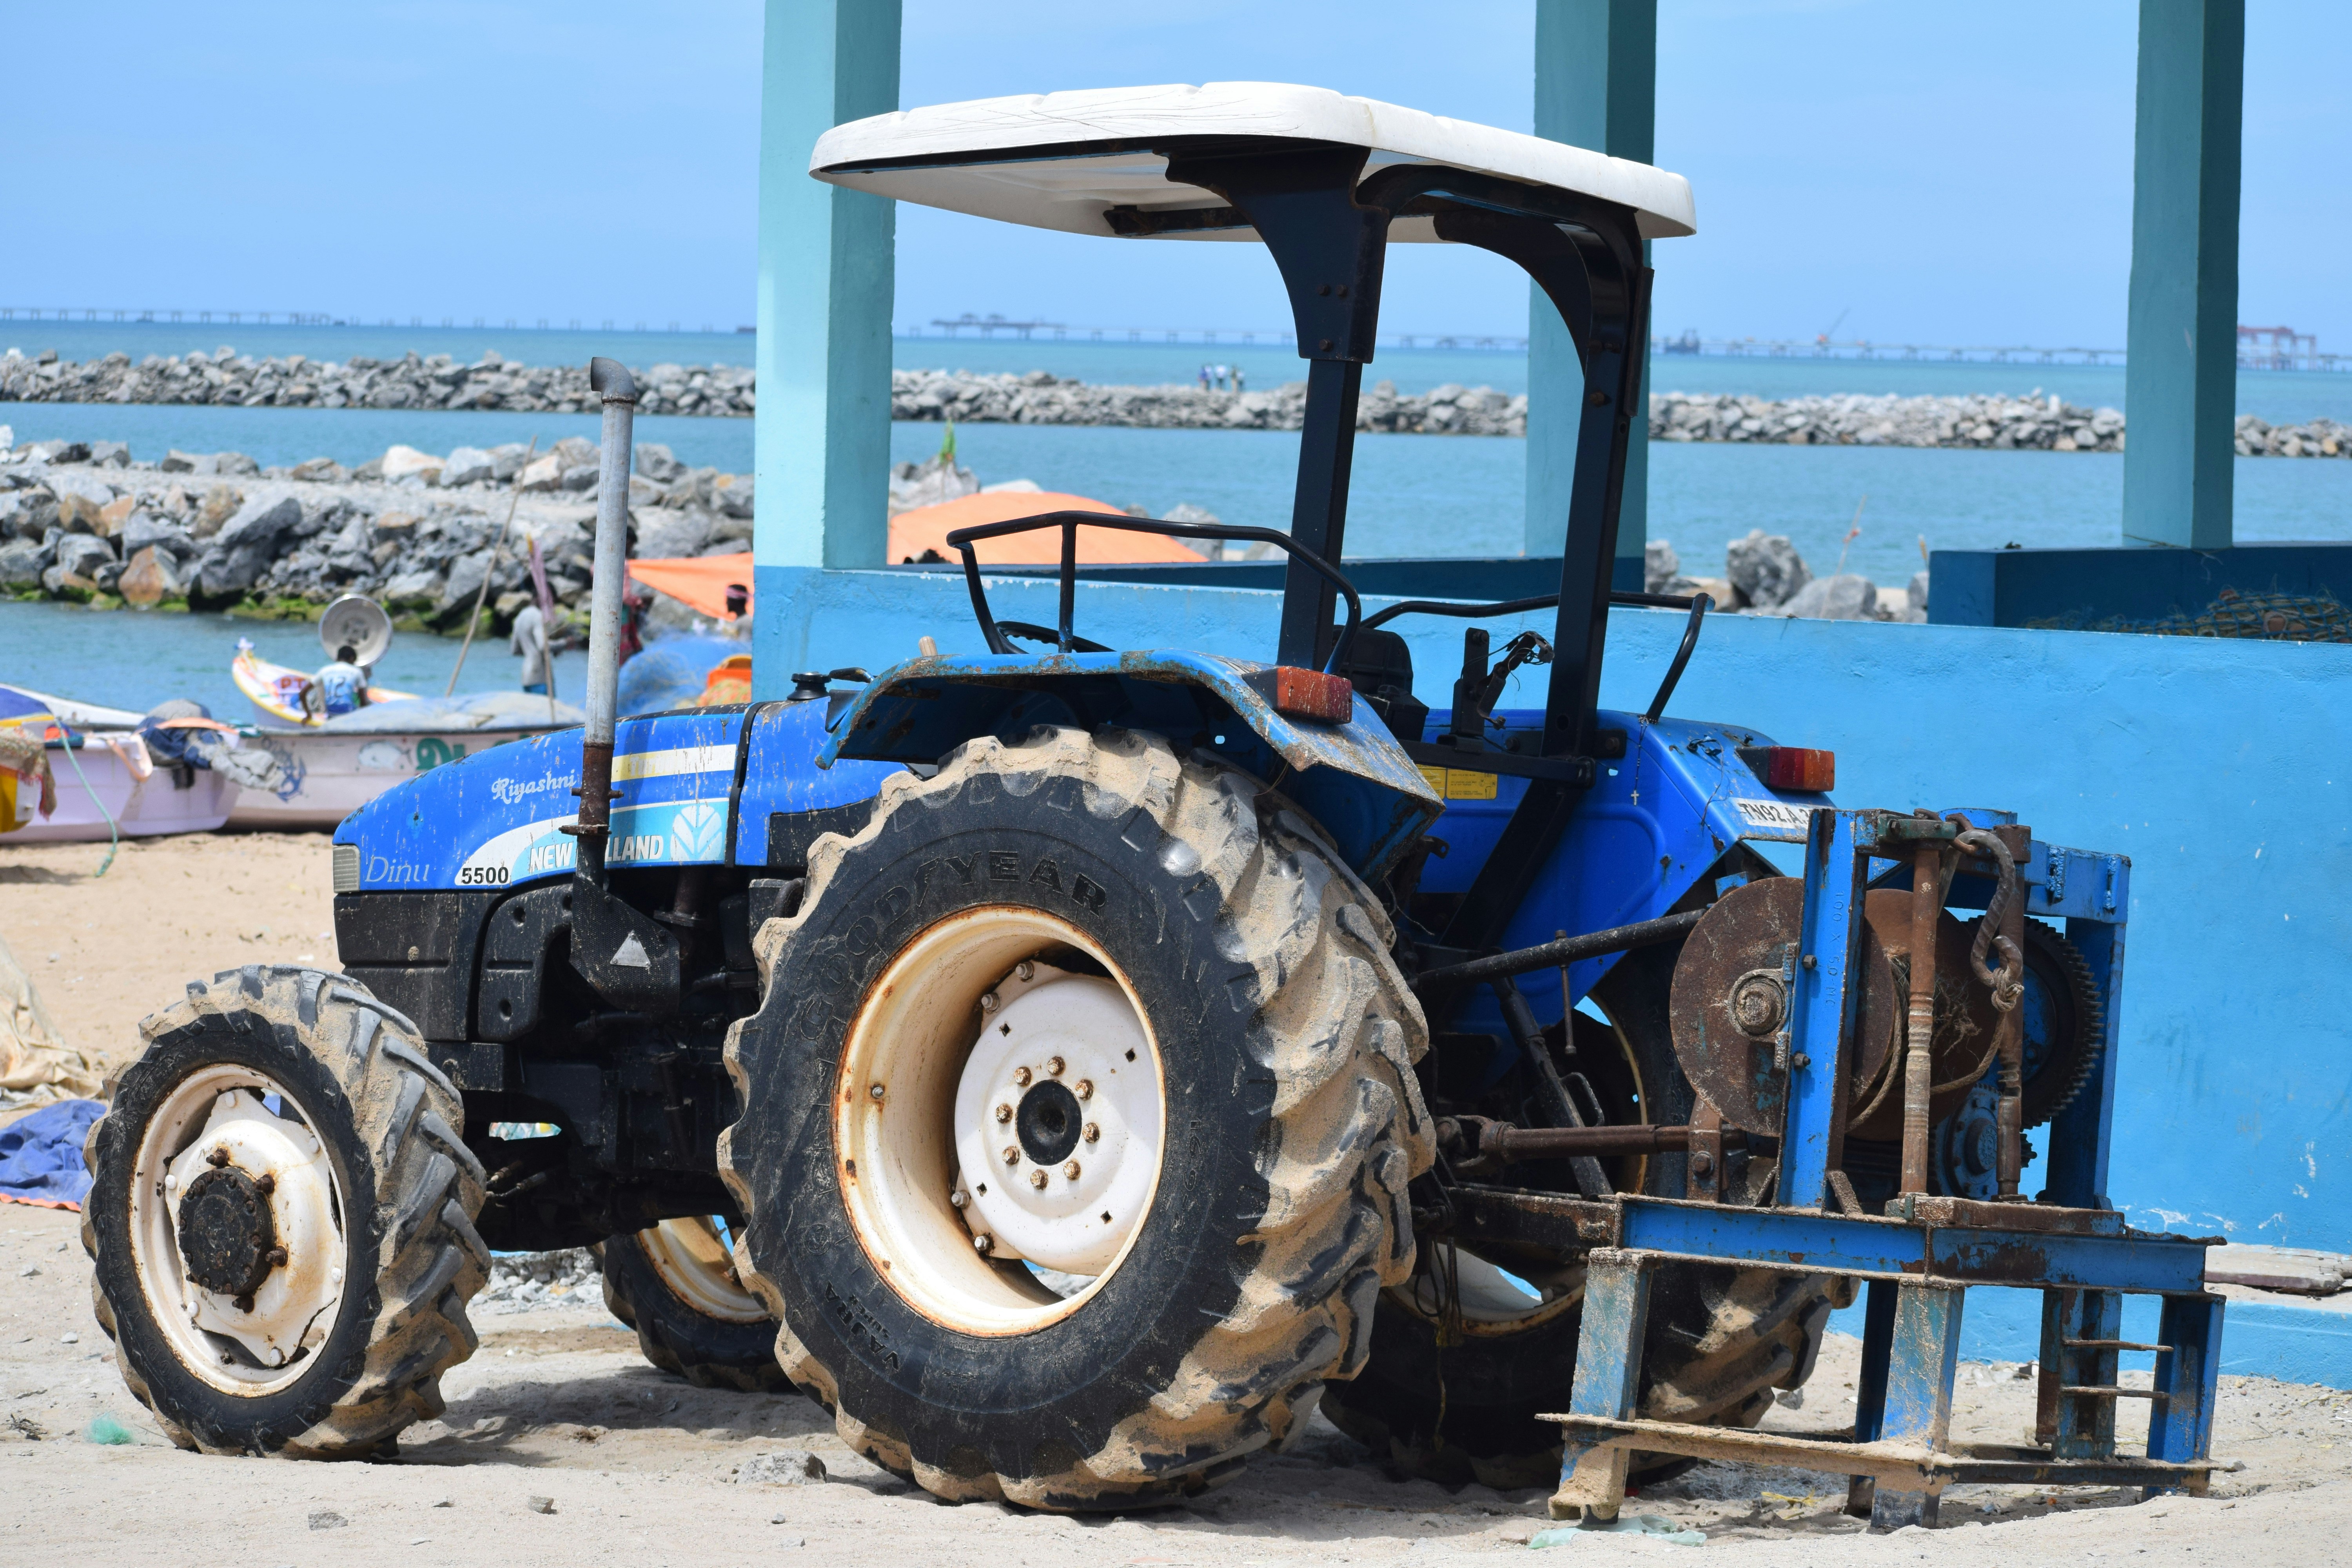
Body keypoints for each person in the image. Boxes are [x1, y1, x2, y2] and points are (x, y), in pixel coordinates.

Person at [308, 644, 368, 719]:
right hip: (347, 713)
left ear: (337, 658)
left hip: (331, 712)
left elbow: (303, 693)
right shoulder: (357, 671)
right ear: (352, 659)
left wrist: (308, 715)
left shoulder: (325, 670)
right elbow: (364, 702)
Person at [510, 602, 550, 695]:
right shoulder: (538, 615)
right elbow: (542, 646)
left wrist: (530, 650)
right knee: (545, 708)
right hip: (540, 676)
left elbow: (515, 650)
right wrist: (564, 643)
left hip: (526, 677)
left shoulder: (520, 616)